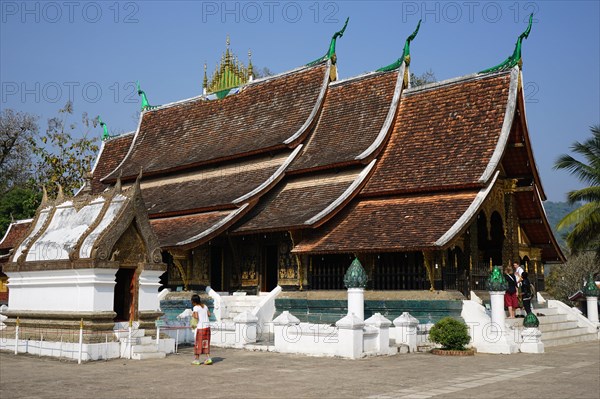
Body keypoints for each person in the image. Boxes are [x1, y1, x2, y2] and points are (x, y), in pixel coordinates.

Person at [191, 294, 212, 365]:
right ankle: (208, 358)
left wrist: (192, 314)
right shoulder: (205, 306)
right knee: (206, 343)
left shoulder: (195, 307)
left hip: (201, 327)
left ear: (193, 301)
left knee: (198, 343)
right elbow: (209, 314)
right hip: (207, 327)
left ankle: (197, 360)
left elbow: (196, 317)